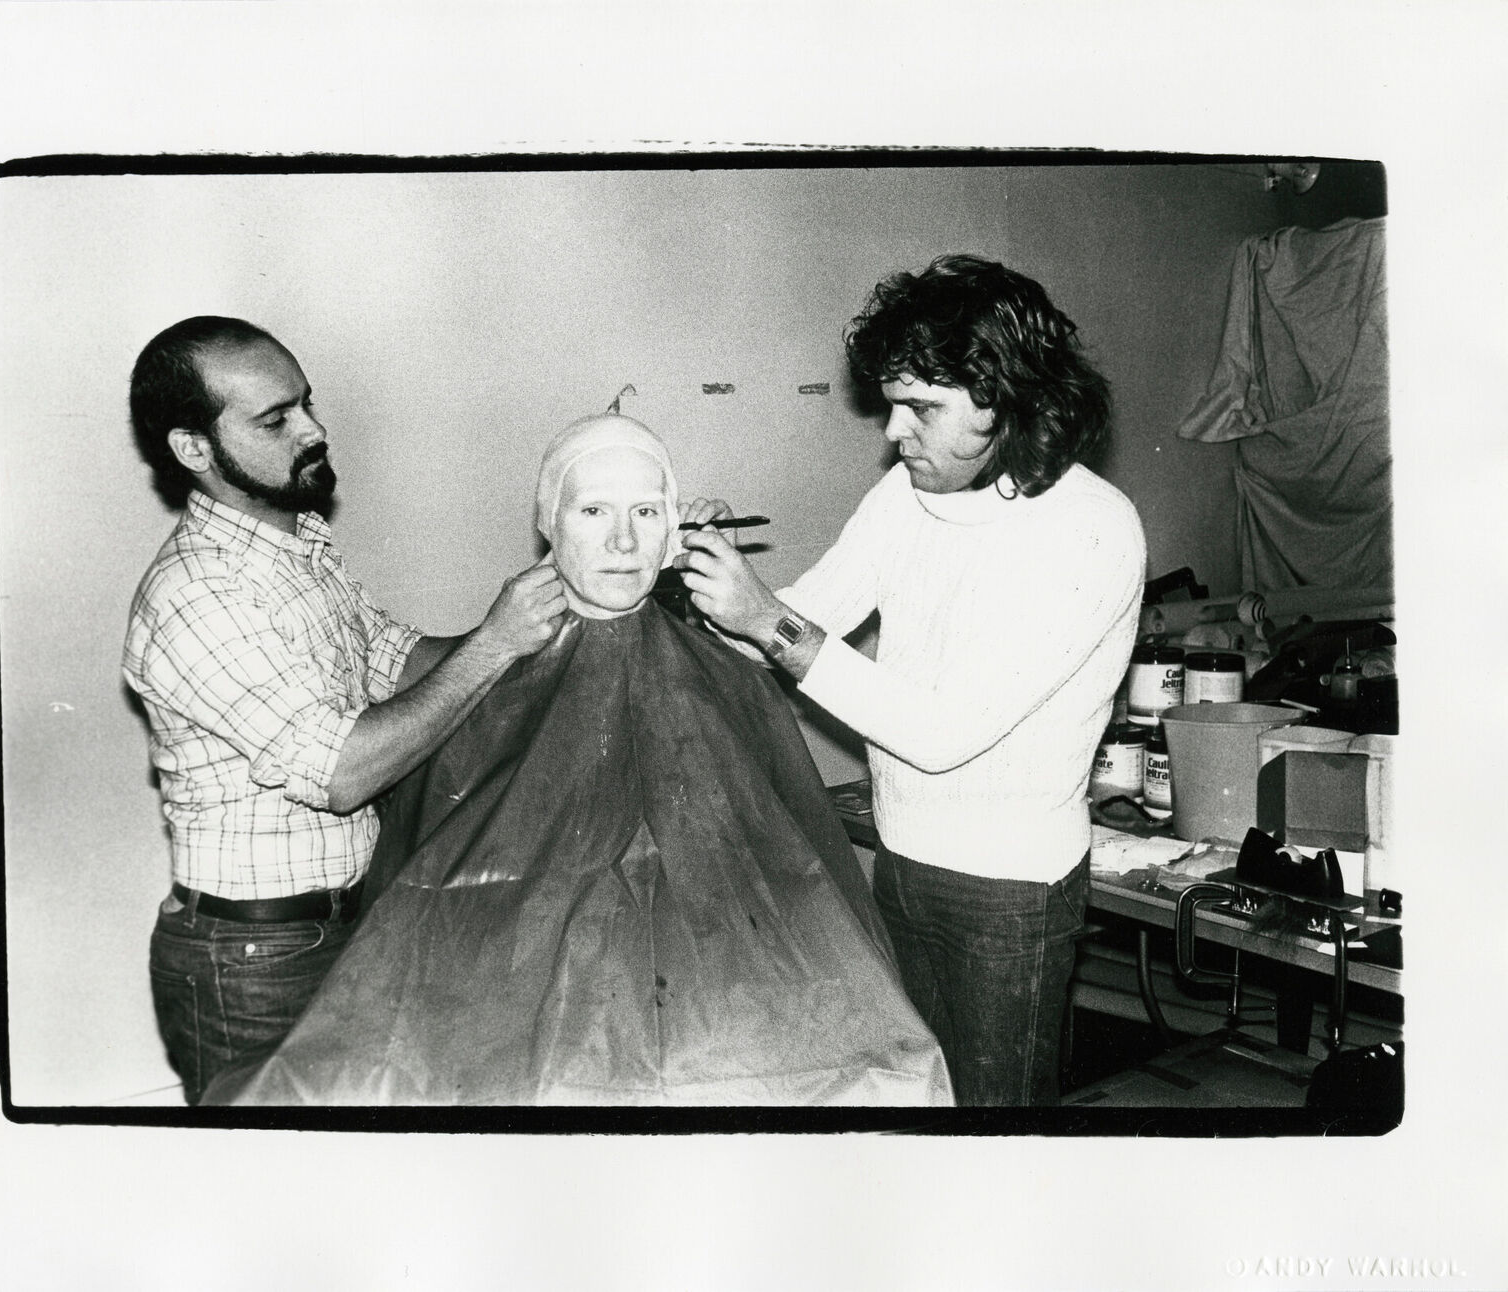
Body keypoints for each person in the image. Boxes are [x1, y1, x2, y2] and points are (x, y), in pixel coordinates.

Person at [210, 413, 952, 1106]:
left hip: (718, 1012)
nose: (623, 544)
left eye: (646, 514)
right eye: (593, 511)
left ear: (673, 534)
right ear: (547, 527)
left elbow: (787, 878)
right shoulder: (483, 676)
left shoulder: (725, 674)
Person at [678, 255, 1147, 1106]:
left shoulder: (1090, 531)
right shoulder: (906, 494)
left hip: (1011, 893)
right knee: (920, 1106)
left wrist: (765, 620)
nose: (895, 431)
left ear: (1007, 398)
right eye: (894, 403)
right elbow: (790, 626)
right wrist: (705, 578)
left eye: (922, 408)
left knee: (995, 1135)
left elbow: (940, 735)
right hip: (899, 862)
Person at [121, 316, 566, 1104]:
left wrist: (560, 609)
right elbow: (340, 772)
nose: (314, 430)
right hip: (253, 965)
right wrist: (496, 646)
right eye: (276, 419)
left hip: (343, 928)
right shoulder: (199, 593)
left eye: (306, 403)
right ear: (194, 448)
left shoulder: (299, 548)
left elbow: (403, 664)